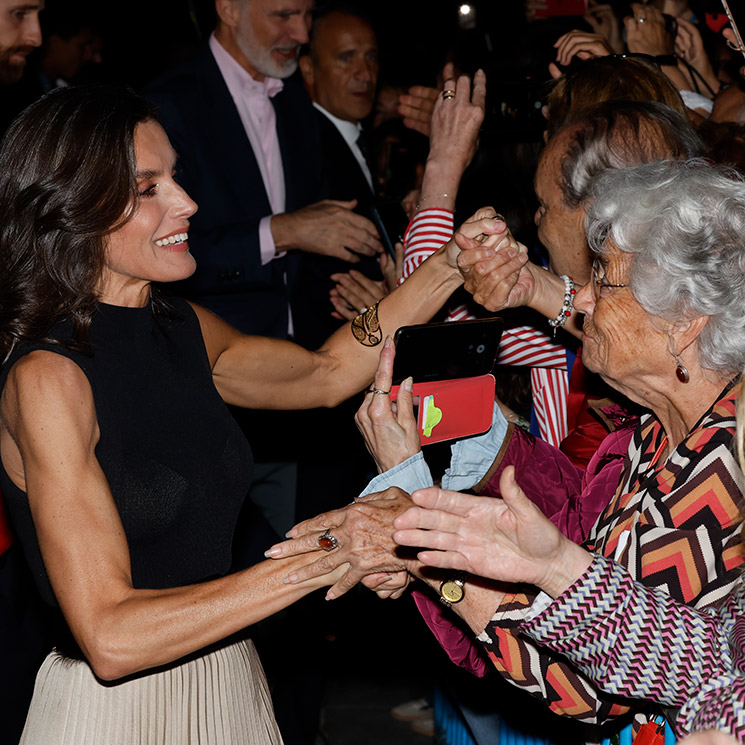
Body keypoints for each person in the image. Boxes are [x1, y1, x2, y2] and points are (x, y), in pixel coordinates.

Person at [0, 84, 519, 743]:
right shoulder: (50, 376)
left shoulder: (180, 327)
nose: (187, 203)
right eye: (147, 187)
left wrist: (448, 266)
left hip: (230, 680)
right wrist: (336, 548)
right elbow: (111, 634)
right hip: (116, 713)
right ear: (72, 207)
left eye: (176, 178)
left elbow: (323, 371)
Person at [268, 157, 745, 737]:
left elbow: (582, 687)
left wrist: (419, 517)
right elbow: (573, 534)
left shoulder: (722, 471)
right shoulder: (659, 425)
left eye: (605, 281)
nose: (584, 300)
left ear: (685, 323)